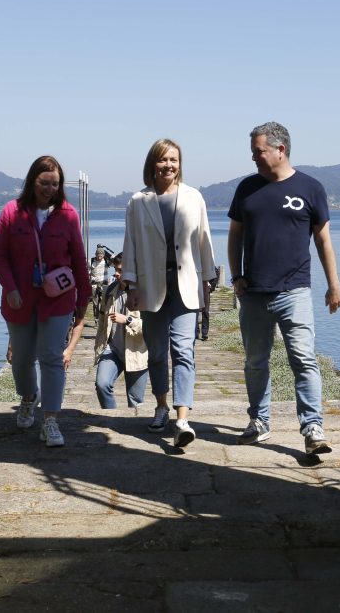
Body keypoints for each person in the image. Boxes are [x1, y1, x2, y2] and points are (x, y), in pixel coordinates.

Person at [227, 122, 340, 456]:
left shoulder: (310, 188)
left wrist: (334, 285)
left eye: (259, 151)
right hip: (253, 292)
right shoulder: (247, 188)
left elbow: (323, 240)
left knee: (304, 360)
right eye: (253, 152)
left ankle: (313, 428)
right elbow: (235, 235)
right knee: (255, 362)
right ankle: (259, 421)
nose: (254, 158)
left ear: (280, 149)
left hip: (295, 292)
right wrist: (236, 276)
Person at [122, 138, 217, 449]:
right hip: (151, 284)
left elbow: (204, 240)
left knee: (184, 349)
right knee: (157, 351)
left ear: (180, 163)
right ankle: (161, 406)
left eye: (173, 160)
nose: (168, 165)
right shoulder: (138, 201)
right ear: (153, 164)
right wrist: (131, 285)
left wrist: (208, 281)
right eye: (163, 160)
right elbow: (130, 244)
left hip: (186, 283)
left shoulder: (193, 197)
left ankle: (182, 418)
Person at [0, 155, 92, 447]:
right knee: (22, 360)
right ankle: (28, 396)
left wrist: (84, 297)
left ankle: (50, 421)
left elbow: (78, 258)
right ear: (32, 182)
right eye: (44, 183)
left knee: (51, 357)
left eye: (55, 184)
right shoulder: (12, 212)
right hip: (19, 299)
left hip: (57, 299)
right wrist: (10, 287)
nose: (50, 189)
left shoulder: (68, 215)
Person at [93, 254, 149, 409]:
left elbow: (151, 328)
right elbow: (102, 321)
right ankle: (111, 416)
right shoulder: (110, 290)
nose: (116, 274)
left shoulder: (145, 292)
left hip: (137, 352)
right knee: (102, 384)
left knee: (135, 400)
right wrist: (99, 345)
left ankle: (131, 423)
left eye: (120, 271)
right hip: (113, 349)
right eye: (115, 270)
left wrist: (128, 320)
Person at [195, 266, 221, 341]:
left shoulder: (208, 263)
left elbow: (216, 272)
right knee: (195, 311)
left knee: (205, 311)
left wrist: (211, 286)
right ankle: (196, 333)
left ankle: (205, 333)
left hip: (206, 288)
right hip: (195, 288)